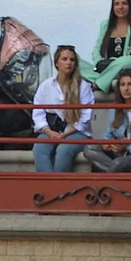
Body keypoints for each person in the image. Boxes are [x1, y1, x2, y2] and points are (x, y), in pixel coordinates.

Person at [33, 45, 93, 173]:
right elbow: (38, 113)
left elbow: (85, 117)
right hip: (51, 130)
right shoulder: (45, 86)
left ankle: (59, 183)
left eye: (72, 60)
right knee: (39, 148)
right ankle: (48, 182)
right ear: (56, 63)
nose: (69, 63)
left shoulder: (83, 86)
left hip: (77, 133)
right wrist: (48, 132)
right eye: (64, 59)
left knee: (64, 149)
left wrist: (65, 134)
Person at [83, 0, 131, 94]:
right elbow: (97, 47)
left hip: (125, 68)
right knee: (75, 61)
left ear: (130, 6)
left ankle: (98, 84)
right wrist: (99, 62)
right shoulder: (105, 25)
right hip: (105, 65)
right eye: (116, 4)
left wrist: (115, 63)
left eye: (124, 3)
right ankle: (105, 80)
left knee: (126, 60)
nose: (120, 7)